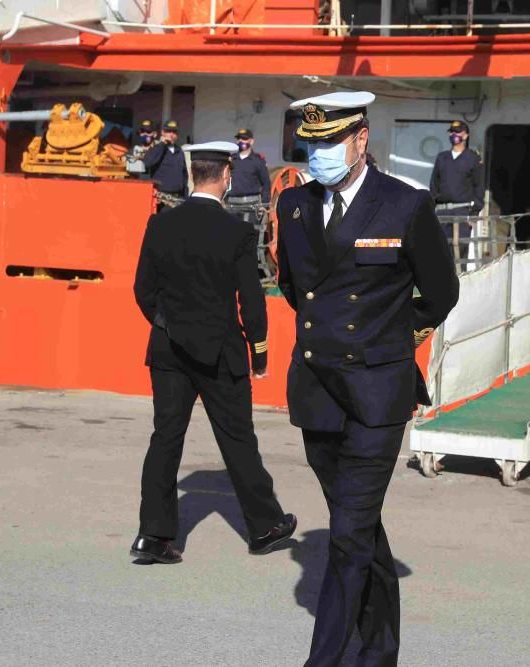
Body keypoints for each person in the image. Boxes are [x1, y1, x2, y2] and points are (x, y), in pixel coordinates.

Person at [276, 92, 459, 666]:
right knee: (358, 528)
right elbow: (291, 286)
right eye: (312, 144)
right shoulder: (295, 205)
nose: (320, 153)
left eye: (331, 142)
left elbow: (441, 291)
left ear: (361, 139)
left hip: (377, 393)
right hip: (317, 390)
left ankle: (323, 659)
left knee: (348, 535)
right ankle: (379, 650)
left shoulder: (404, 205)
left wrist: (388, 339)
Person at [131, 140, 297, 565]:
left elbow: (143, 291)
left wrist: (169, 325)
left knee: (165, 439)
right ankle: (263, 527)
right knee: (238, 440)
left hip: (168, 350)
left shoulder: (160, 224)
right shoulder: (237, 231)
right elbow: (251, 300)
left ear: (191, 176)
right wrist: (258, 352)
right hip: (221, 351)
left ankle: (153, 536)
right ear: (226, 177)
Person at [429, 120, 484, 266]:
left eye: (458, 132)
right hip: (442, 211)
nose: (454, 134)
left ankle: (460, 284)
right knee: (439, 251)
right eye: (452, 132)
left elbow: (479, 187)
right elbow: (434, 185)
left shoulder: (473, 158)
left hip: (462, 211)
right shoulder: (442, 157)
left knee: (459, 251)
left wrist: (473, 214)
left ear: (465, 136)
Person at [143, 119, 189, 207]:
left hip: (178, 198)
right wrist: (162, 144)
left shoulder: (179, 151)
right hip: (161, 199)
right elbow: (148, 162)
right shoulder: (156, 148)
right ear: (162, 133)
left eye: (174, 132)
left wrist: (185, 197)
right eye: (168, 131)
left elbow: (184, 176)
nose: (171, 134)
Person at [226, 128, 271, 205]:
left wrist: (264, 204)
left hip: (251, 203)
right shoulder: (231, 160)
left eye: (244, 138)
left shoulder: (258, 161)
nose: (241, 141)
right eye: (238, 138)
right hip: (231, 203)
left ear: (252, 141)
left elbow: (266, 183)